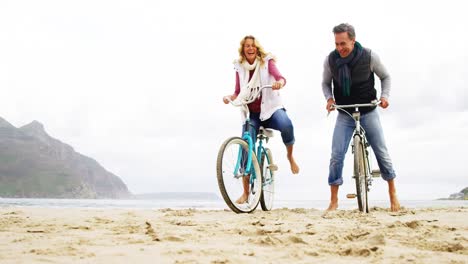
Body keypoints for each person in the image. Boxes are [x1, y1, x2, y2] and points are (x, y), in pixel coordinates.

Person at [322, 23, 400, 212]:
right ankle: (334, 201)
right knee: (336, 155)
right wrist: (329, 98)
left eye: (343, 44)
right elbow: (325, 84)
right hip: (345, 112)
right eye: (336, 44)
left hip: (368, 109)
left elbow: (386, 77)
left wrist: (384, 97)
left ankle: (393, 195)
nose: (340, 48)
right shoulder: (330, 60)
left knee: (381, 152)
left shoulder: (369, 56)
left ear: (353, 40)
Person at [223, 35, 299, 204]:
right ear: (243, 49)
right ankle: (246, 192)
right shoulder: (240, 68)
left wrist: (279, 82)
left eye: (253, 45)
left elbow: (280, 76)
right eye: (247, 46)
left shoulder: (266, 62)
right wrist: (230, 97)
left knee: (286, 125)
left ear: (257, 48)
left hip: (271, 110)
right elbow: (237, 91)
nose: (250, 48)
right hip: (252, 114)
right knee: (245, 144)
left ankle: (290, 156)